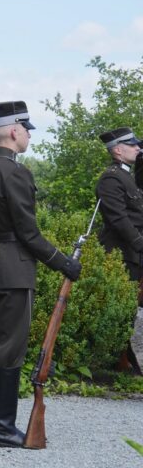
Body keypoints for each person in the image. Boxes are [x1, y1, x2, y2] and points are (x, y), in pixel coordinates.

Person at [0, 100, 82, 448]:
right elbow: (28, 234)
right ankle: (3, 427)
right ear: (15, 131)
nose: (29, 136)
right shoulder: (15, 173)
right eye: (26, 130)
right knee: (10, 349)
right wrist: (64, 262)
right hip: (14, 271)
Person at [96, 127, 143, 372]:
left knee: (129, 311)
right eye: (132, 145)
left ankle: (124, 360)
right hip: (122, 254)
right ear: (117, 149)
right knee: (123, 310)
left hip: (133, 252)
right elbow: (119, 220)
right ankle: (118, 360)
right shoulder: (111, 178)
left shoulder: (129, 176)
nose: (138, 148)